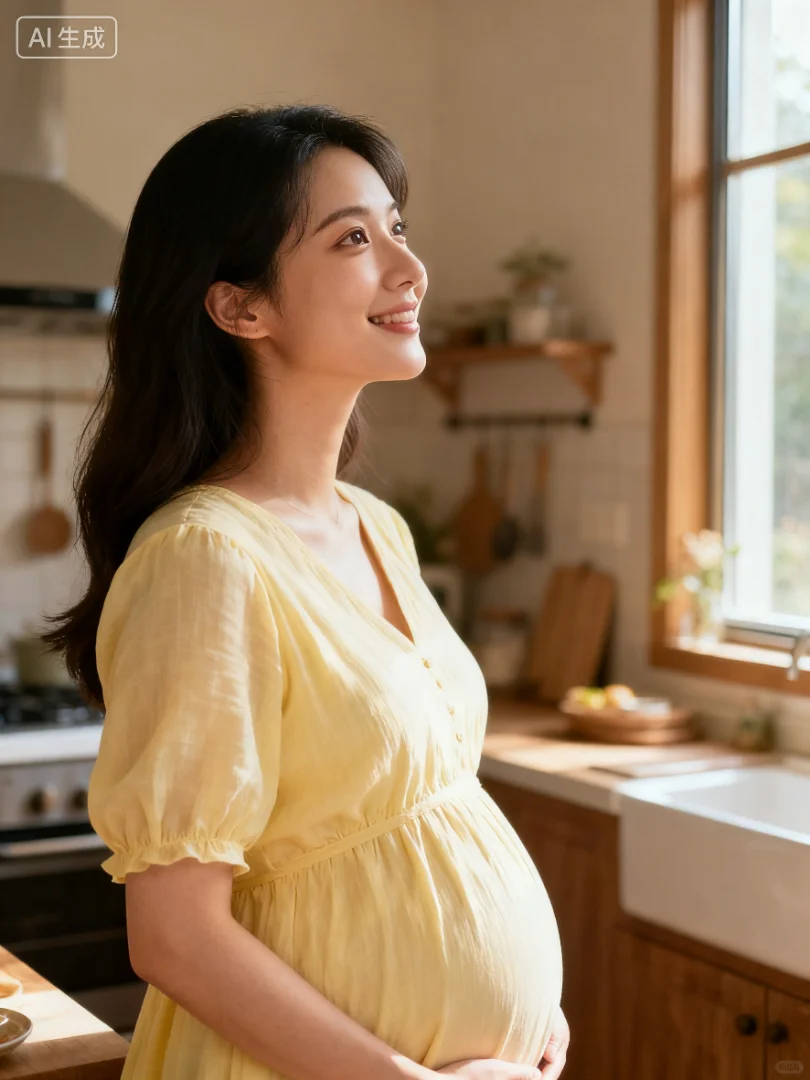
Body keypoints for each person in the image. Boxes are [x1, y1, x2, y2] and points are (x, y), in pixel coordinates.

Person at [43, 104, 568, 1080]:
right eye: (354, 240)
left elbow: (438, 825)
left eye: (397, 231)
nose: (409, 271)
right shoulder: (204, 558)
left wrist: (535, 1010)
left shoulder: (378, 527)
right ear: (241, 306)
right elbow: (174, 937)